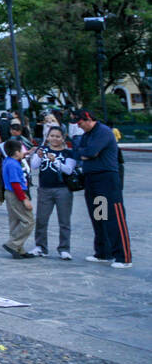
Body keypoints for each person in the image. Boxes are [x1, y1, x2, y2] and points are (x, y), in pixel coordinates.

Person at [72, 110, 132, 268]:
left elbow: (90, 152)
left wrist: (85, 153)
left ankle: (123, 257)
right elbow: (78, 152)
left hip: (107, 179)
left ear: (88, 119)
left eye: (80, 123)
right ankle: (103, 252)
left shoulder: (103, 132)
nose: (79, 127)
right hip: (92, 179)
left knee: (114, 217)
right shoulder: (87, 135)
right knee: (99, 216)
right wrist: (84, 153)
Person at [29, 126, 76, 259]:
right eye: (52, 136)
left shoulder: (68, 153)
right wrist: (38, 155)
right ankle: (40, 247)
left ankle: (64, 248)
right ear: (47, 137)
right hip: (45, 189)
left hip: (63, 189)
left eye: (57, 136)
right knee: (41, 219)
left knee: (64, 220)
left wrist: (55, 161)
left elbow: (68, 170)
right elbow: (34, 166)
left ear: (63, 138)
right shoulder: (43, 150)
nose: (54, 139)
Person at [1, 138, 35, 259]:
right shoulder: (14, 165)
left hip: (10, 193)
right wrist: (24, 199)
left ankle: (19, 249)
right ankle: (13, 244)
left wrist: (27, 153)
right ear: (16, 152)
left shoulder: (8, 161)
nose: (23, 152)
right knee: (28, 221)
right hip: (16, 193)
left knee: (15, 221)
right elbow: (15, 183)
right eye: (21, 150)